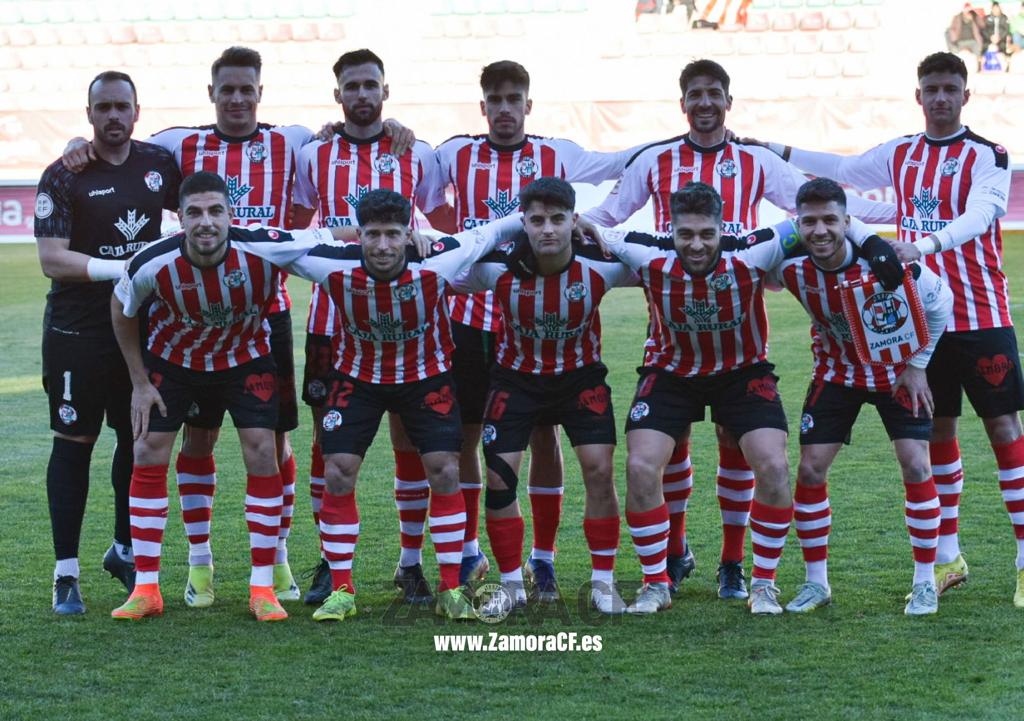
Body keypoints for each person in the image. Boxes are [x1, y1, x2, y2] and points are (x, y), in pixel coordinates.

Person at [62, 47, 416, 609]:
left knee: (270, 443)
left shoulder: (292, 140)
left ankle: (272, 561)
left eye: (246, 90)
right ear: (211, 94)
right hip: (191, 316)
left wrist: (390, 126)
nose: (236, 99)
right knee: (195, 439)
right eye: (226, 90)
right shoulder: (181, 142)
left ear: (259, 92)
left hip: (262, 312)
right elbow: (120, 148)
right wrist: (73, 149)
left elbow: (349, 138)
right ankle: (199, 567)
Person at [585, 58, 898, 600]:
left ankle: (740, 568)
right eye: (695, 95)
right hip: (671, 334)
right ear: (682, 102)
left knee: (747, 451)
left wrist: (874, 238)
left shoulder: (755, 164)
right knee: (663, 452)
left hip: (740, 328)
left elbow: (814, 209)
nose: (704, 103)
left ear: (729, 100)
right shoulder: (655, 161)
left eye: (714, 94)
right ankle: (669, 562)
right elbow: (606, 219)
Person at [760, 52, 1023, 607]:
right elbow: (843, 167)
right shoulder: (902, 152)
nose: (941, 98)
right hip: (916, 322)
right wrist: (773, 149)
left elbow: (981, 217)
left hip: (979, 315)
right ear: (919, 94)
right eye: (931, 88)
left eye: (951, 88)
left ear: (966, 96)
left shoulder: (987, 156)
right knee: (939, 435)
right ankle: (948, 557)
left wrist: (922, 245)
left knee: (1003, 429)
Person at [595, 181, 877, 615]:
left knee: (774, 464)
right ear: (670, 230)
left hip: (741, 372)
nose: (696, 244)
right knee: (639, 465)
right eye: (685, 234)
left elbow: (826, 222)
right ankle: (656, 584)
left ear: (722, 228)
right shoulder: (643, 249)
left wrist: (879, 247)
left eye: (706, 233)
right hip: (671, 373)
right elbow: (584, 226)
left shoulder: (754, 248)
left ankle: (763, 584)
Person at [435, 60, 643, 599]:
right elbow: (424, 216)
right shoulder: (456, 154)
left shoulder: (562, 162)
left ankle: (548, 561)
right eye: (496, 100)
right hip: (481, 329)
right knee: (474, 443)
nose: (505, 108)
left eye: (515, 99)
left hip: (563, 360)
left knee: (556, 445)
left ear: (529, 103)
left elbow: (624, 165)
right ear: (484, 106)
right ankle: (474, 556)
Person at [267, 189, 524, 622]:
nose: (383, 246)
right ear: (359, 236)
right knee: (337, 470)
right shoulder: (331, 261)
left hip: (426, 378)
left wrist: (568, 221)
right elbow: (273, 240)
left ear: (409, 233)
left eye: (393, 234)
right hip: (358, 379)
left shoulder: (438, 258)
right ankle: (342, 590)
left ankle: (450, 589)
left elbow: (495, 230)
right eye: (372, 235)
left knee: (445, 469)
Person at [109, 172, 343, 621]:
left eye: (216, 211)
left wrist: (413, 241)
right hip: (175, 361)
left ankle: (262, 589)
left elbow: (334, 238)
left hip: (244, 359)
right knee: (147, 449)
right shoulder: (152, 262)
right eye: (194, 212)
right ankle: (146, 588)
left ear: (231, 215)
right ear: (179, 218)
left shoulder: (263, 245)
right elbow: (122, 308)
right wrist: (139, 382)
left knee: (262, 452)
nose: (206, 222)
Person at [293, 49, 455, 606]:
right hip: (330, 321)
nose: (362, 95)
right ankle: (328, 563)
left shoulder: (419, 153)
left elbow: (444, 224)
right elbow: (294, 230)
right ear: (337, 95)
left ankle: (410, 563)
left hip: (407, 323)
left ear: (386, 90)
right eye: (352, 87)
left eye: (371, 85)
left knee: (411, 439)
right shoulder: (313, 153)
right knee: (327, 443)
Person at [768, 178, 953, 615]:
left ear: (847, 222)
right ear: (798, 224)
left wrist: (918, 366)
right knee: (811, 470)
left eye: (830, 220)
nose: (819, 231)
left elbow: (941, 302)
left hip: (897, 374)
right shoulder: (789, 267)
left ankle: (925, 582)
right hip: (836, 374)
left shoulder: (884, 264)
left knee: (916, 463)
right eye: (809, 222)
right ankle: (817, 583)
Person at [34, 71, 181, 615]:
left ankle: (124, 550)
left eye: (123, 106)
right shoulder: (63, 175)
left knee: (137, 441)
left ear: (137, 111)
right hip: (78, 334)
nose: (114, 116)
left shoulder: (160, 165)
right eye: (104, 107)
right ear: (89, 113)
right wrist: (121, 268)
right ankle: (65, 573)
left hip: (143, 330)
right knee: (73, 445)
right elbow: (52, 259)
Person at [453, 178, 635, 616]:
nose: (547, 229)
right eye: (536, 220)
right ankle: (513, 584)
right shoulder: (496, 267)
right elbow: (443, 266)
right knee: (499, 478)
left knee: (599, 470)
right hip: (516, 381)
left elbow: (662, 257)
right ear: (523, 224)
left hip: (580, 379)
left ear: (575, 221)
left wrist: (604, 232)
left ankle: (604, 583)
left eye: (558, 219)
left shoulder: (604, 263)